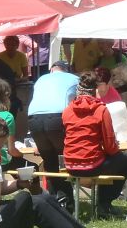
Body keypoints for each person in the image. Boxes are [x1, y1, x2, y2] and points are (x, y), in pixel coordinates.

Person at [62, 73, 127, 219]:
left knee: (107, 160)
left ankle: (100, 203)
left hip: (70, 164)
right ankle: (104, 203)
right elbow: (110, 147)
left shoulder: (67, 110)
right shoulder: (101, 110)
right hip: (91, 165)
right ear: (95, 90)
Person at [27, 61, 79, 206]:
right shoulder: (73, 78)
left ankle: (54, 200)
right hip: (57, 116)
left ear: (51, 70)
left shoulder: (40, 80)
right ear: (66, 70)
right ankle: (67, 201)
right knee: (65, 158)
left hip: (34, 118)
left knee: (49, 161)